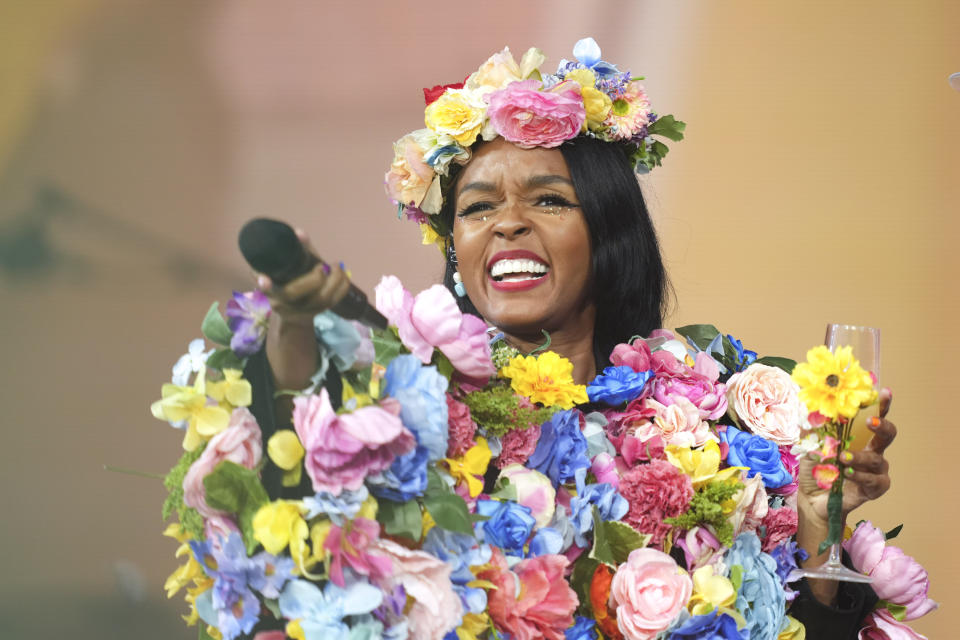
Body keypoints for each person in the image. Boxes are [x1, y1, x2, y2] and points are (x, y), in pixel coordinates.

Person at [255, 38, 897, 638]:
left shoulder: (713, 427)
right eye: (477, 209)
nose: (506, 224)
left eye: (550, 201)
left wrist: (817, 524)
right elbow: (301, 482)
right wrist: (294, 331)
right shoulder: (419, 412)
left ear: (609, 233)